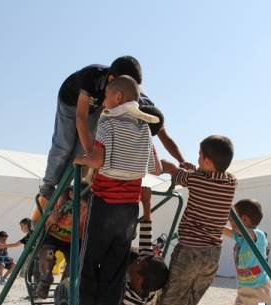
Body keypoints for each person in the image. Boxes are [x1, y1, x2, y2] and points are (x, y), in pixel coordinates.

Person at [72, 75, 162, 305]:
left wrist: (80, 159)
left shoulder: (108, 122)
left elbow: (98, 160)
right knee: (114, 272)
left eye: (107, 97)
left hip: (104, 206)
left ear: (118, 97)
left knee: (88, 266)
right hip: (128, 211)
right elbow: (155, 167)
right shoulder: (144, 128)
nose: (104, 102)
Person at [39, 56, 184, 200]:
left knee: (81, 148)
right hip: (70, 102)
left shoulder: (133, 93)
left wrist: (181, 161)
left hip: (95, 109)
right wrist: (91, 154)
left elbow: (163, 135)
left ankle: (64, 187)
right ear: (111, 80)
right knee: (64, 144)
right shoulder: (92, 77)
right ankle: (48, 185)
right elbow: (80, 118)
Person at [141, 135, 237, 305]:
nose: (197, 158)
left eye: (200, 155)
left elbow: (171, 170)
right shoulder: (231, 182)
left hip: (190, 250)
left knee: (173, 291)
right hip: (212, 254)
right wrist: (196, 169)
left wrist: (164, 165)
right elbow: (204, 175)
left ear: (207, 161)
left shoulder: (195, 180)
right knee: (188, 296)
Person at [38, 187, 169, 305]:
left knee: (68, 286)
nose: (137, 261)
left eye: (138, 263)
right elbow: (146, 243)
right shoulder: (150, 294)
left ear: (139, 278)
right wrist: (146, 204)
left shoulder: (120, 291)